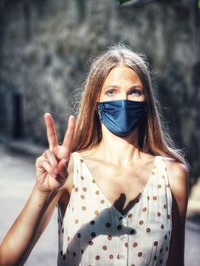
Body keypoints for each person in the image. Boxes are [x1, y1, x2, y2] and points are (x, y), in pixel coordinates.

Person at [0, 44, 188, 266]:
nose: (123, 101)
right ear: (96, 102)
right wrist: (42, 191)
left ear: (146, 102)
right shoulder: (69, 170)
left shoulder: (173, 176)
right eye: (111, 91)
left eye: (134, 92)